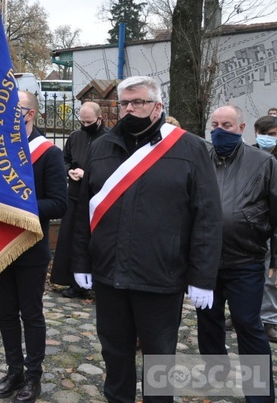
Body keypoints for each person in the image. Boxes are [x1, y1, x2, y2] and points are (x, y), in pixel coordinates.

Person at [72, 75, 223, 403]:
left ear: (157, 107)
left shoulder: (191, 148)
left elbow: (207, 218)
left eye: (137, 102)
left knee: (159, 359)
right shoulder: (101, 148)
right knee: (115, 353)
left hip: (160, 276)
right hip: (109, 275)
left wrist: (202, 277)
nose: (129, 109)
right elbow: (84, 210)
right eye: (124, 103)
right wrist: (81, 261)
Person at [196, 105, 277, 403]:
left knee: (247, 323)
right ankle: (215, 373)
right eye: (215, 124)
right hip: (204, 261)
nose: (219, 130)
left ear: (241, 128)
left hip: (246, 259)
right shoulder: (199, 159)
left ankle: (259, 394)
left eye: (227, 125)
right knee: (208, 321)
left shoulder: (263, 162)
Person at [0, 91, 67, 402]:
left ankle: (33, 375)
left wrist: (19, 205)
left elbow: (59, 204)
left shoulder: (48, 154)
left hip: (30, 247)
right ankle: (14, 370)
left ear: (30, 114)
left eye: (15, 110)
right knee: (5, 313)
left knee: (30, 313)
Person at [52, 101, 109, 299]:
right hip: (75, 195)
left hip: (97, 198)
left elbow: (111, 168)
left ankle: (96, 284)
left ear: (99, 119)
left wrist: (89, 173)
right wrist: (70, 171)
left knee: (94, 241)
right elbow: (64, 160)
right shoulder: (76, 137)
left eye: (89, 122)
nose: (85, 126)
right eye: (82, 122)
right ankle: (74, 283)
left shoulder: (108, 139)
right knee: (71, 239)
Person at [254, 115, 277, 342]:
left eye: (272, 135)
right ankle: (245, 314)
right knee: (246, 273)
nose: (267, 139)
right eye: (263, 134)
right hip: (252, 224)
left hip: (274, 225)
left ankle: (269, 319)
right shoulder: (248, 156)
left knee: (271, 276)